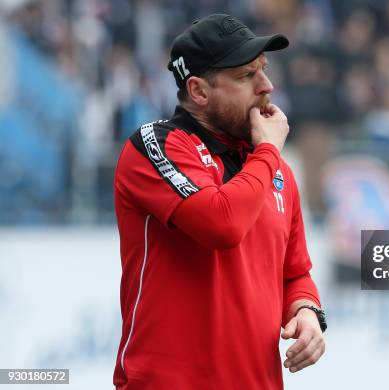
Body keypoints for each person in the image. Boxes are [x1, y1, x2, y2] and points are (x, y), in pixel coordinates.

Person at [113, 14, 326, 389]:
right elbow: (221, 224)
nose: (267, 86)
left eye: (264, 69)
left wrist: (306, 312)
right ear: (198, 91)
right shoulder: (155, 144)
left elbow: (295, 273)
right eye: (247, 76)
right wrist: (268, 152)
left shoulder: (275, 170)